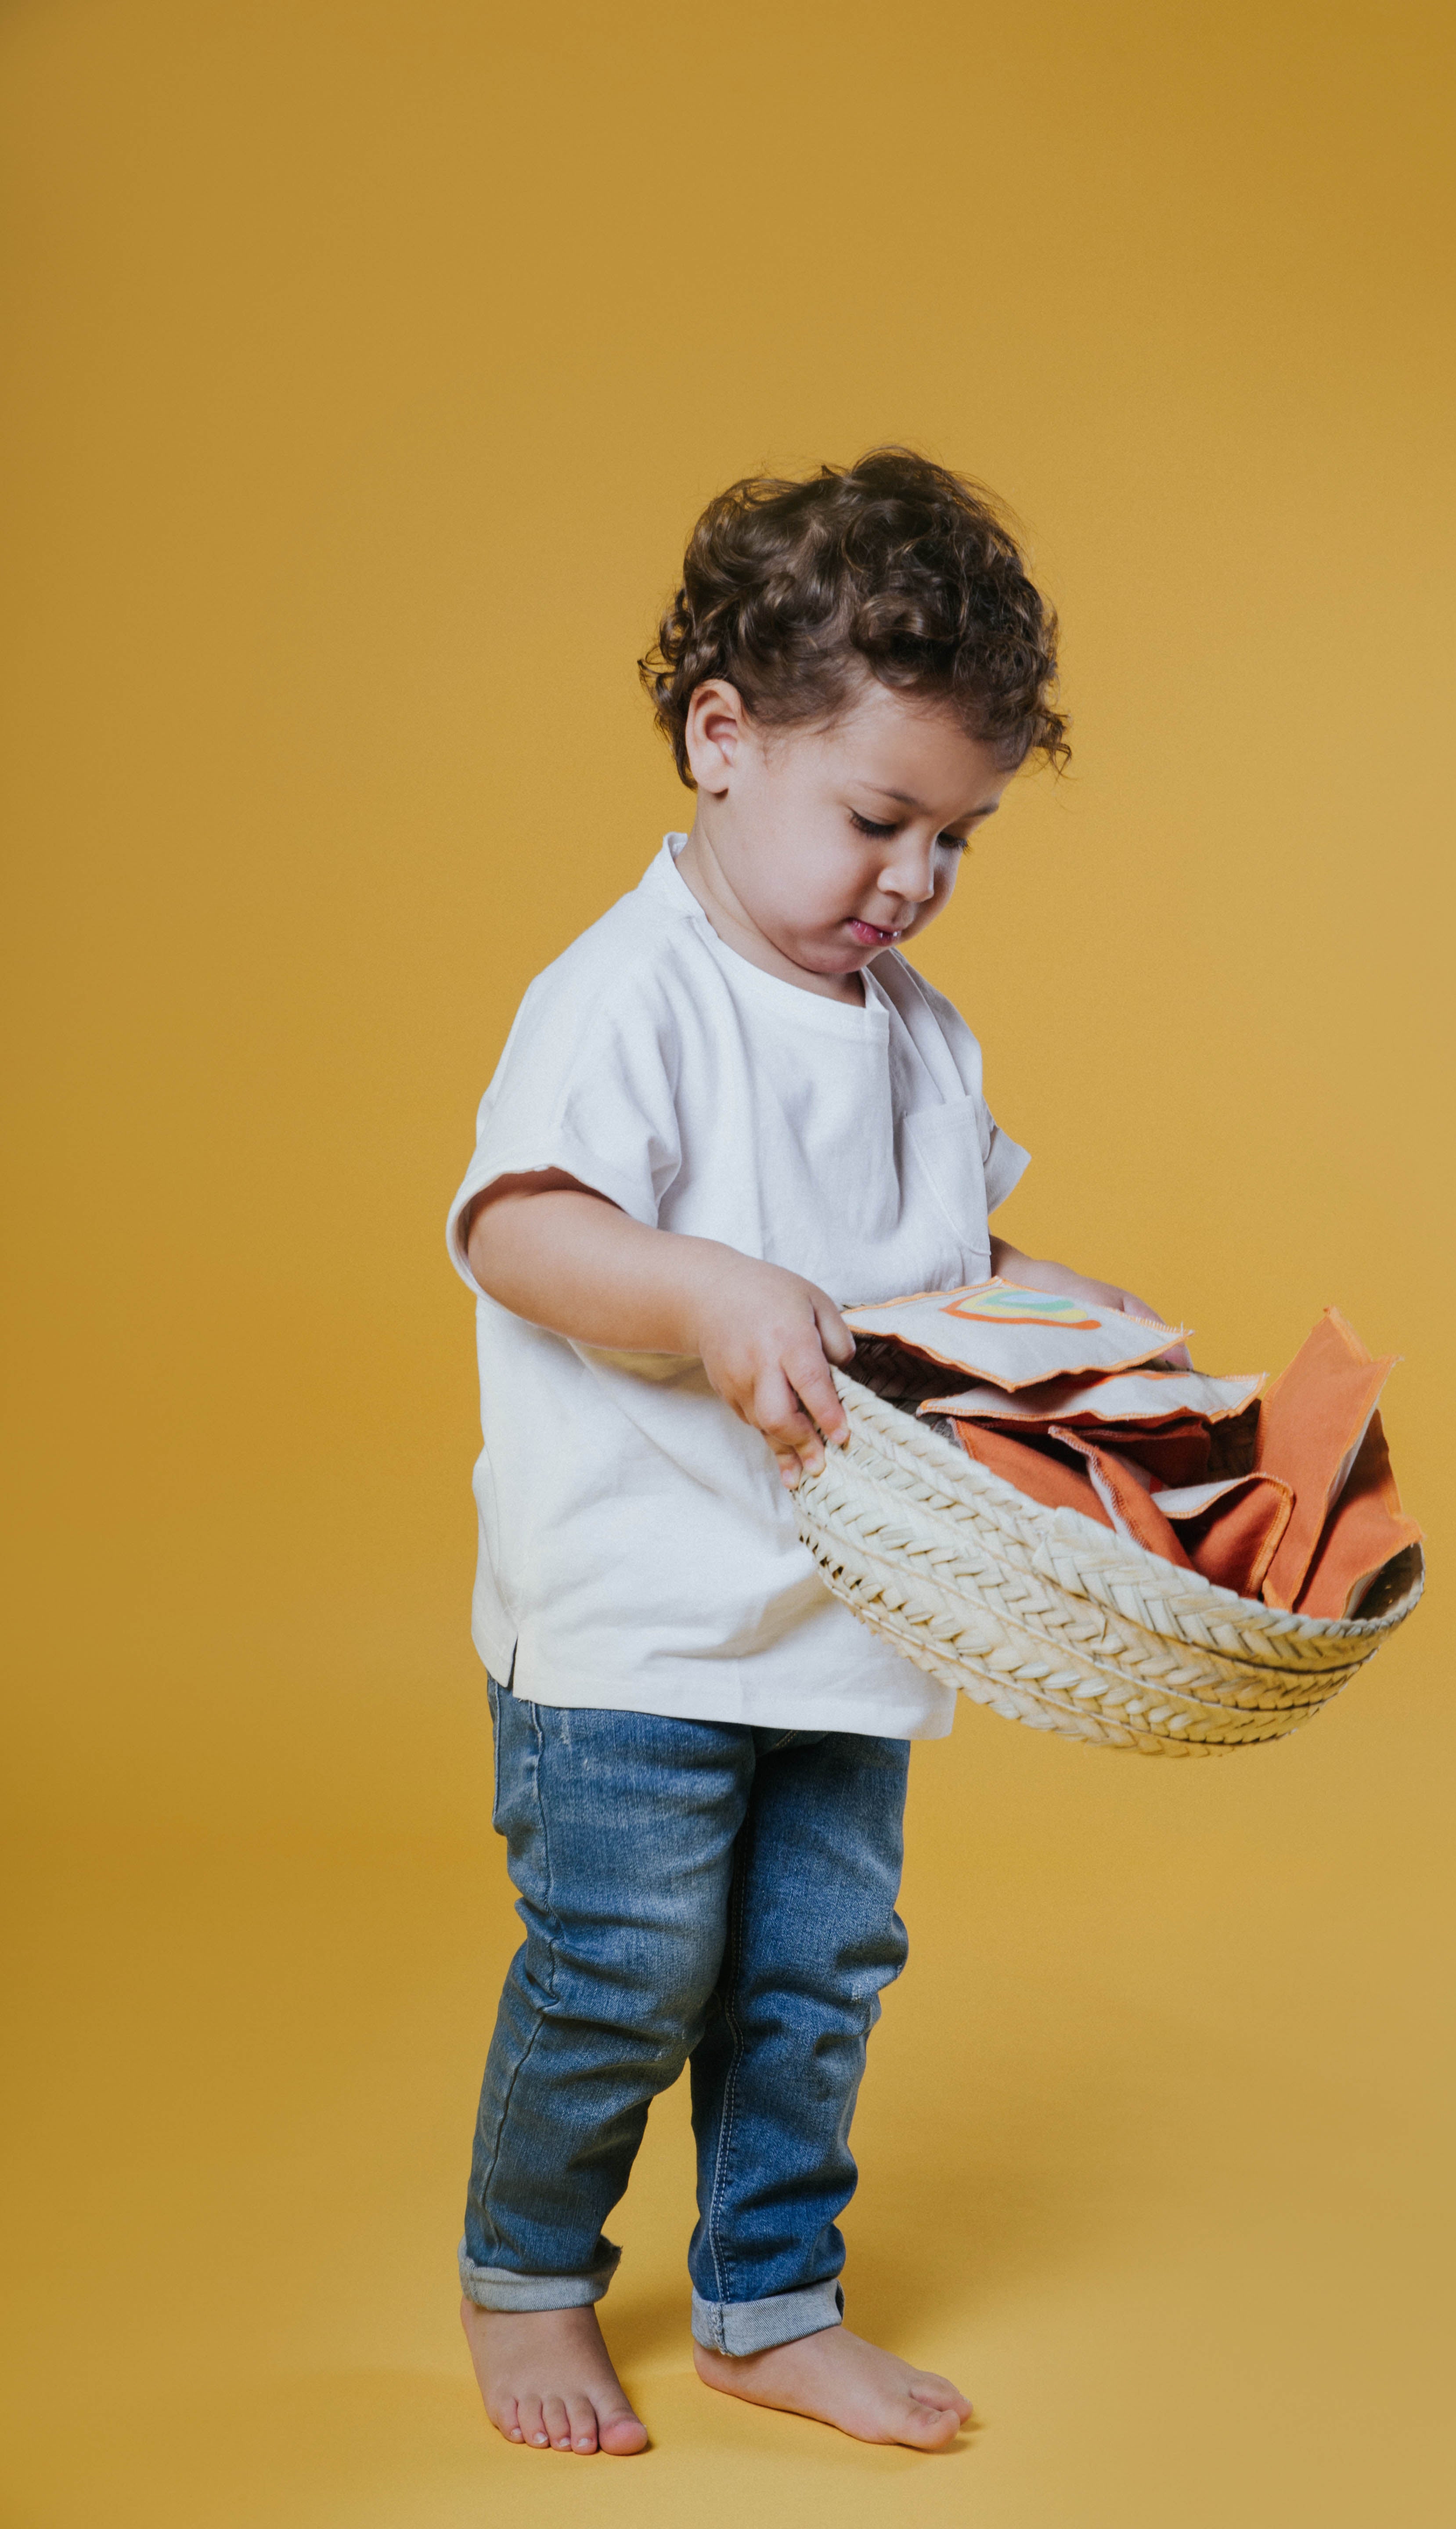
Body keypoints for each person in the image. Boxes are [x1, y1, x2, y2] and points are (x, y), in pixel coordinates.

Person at [447, 448, 1180, 2457]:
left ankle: (772, 2296)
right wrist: (705, 1291)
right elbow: (519, 1227)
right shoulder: (631, 999)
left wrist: (1062, 1312)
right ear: (720, 738)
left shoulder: (916, 1033)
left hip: (850, 1612)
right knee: (624, 1967)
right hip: (636, 1621)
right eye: (876, 819)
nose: (912, 880)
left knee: (817, 1970)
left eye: (958, 837)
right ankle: (529, 2278)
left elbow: (936, 1275)